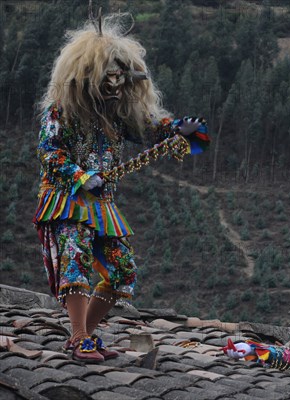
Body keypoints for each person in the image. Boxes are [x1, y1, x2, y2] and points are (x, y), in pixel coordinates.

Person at [33, 11, 208, 363]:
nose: (115, 88)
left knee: (122, 269)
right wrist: (81, 177)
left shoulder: (119, 115)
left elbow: (151, 126)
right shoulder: (60, 112)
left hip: (103, 205)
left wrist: (179, 128)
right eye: (108, 79)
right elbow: (48, 151)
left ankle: (83, 335)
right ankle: (80, 336)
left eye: (119, 79)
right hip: (66, 200)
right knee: (76, 257)